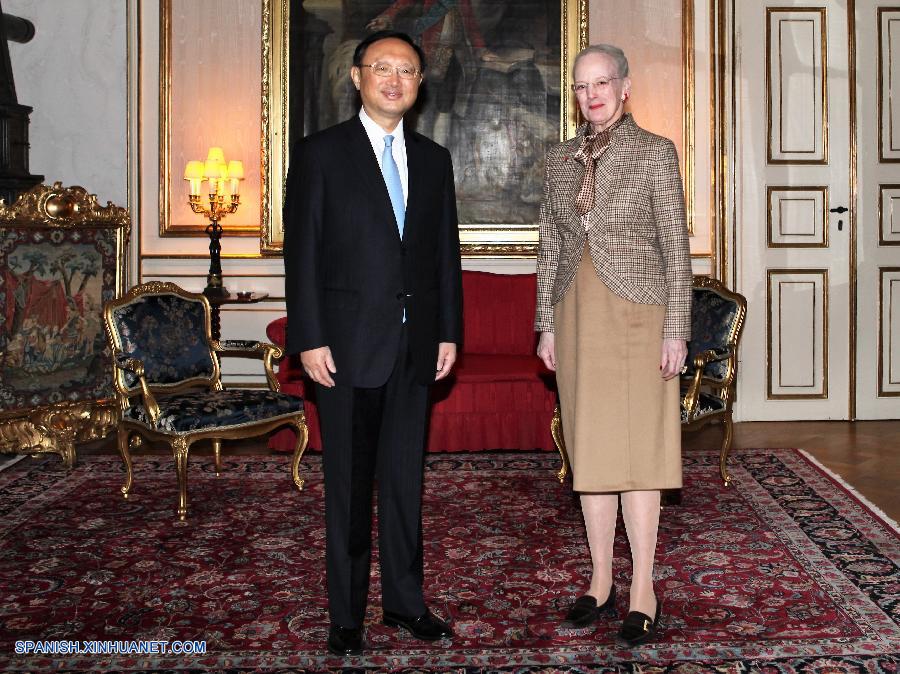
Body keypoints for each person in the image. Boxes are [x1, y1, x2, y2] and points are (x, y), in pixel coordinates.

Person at [283, 30, 463, 657]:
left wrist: (448, 332)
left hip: (416, 352)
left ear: (420, 84)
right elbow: (302, 255)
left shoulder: (435, 160)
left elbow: (445, 259)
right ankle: (347, 614)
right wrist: (307, 338)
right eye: (381, 68)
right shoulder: (320, 154)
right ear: (357, 77)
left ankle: (406, 604)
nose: (394, 79)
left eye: (407, 70)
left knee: (405, 484)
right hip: (345, 351)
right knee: (350, 488)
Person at [534, 44, 691, 647]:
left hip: (640, 315)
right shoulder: (559, 160)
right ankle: (600, 581)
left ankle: (643, 586)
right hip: (577, 315)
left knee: (639, 453)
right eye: (581, 86)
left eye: (602, 82)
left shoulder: (656, 153)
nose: (591, 94)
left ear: (625, 87)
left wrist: (676, 327)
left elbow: (676, 248)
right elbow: (550, 247)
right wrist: (546, 324)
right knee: (593, 451)